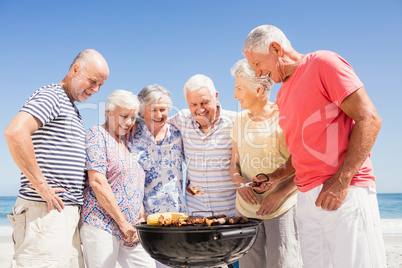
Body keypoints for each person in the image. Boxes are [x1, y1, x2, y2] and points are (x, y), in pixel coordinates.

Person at [243, 25, 386, 267]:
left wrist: (341, 181)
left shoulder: (323, 63)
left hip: (344, 192)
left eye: (257, 64)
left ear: (276, 49)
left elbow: (369, 119)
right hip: (307, 201)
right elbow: (302, 151)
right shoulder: (282, 95)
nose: (257, 73)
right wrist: (276, 177)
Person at [4, 49, 109, 267]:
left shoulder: (72, 108)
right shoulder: (53, 95)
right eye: (92, 81)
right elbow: (15, 132)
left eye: (100, 85)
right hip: (44, 213)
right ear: (75, 69)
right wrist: (42, 186)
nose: (96, 89)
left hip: (64, 215)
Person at [230, 58, 302, 268]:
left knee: (283, 263)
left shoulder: (285, 117)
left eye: (239, 89)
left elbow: (302, 164)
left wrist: (279, 195)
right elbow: (234, 163)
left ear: (259, 90)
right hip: (245, 210)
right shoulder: (239, 120)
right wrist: (238, 181)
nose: (235, 95)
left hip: (282, 208)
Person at [79, 90, 155, 268]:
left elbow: (134, 187)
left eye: (133, 117)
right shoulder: (96, 135)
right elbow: (97, 182)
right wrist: (123, 222)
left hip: (130, 229)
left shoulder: (125, 145)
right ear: (107, 111)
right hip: (101, 223)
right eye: (124, 116)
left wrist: (140, 220)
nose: (129, 122)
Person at [169, 74, 237, 217]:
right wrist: (135, 123)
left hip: (231, 214)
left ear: (216, 96)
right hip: (196, 214)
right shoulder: (181, 119)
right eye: (193, 105)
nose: (200, 110)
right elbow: (157, 123)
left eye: (204, 102)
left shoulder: (235, 121)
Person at [128, 84, 187, 216]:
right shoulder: (131, 136)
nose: (159, 115)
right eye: (153, 110)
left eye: (163, 109)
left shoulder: (178, 133)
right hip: (143, 216)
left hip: (177, 214)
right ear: (142, 111)